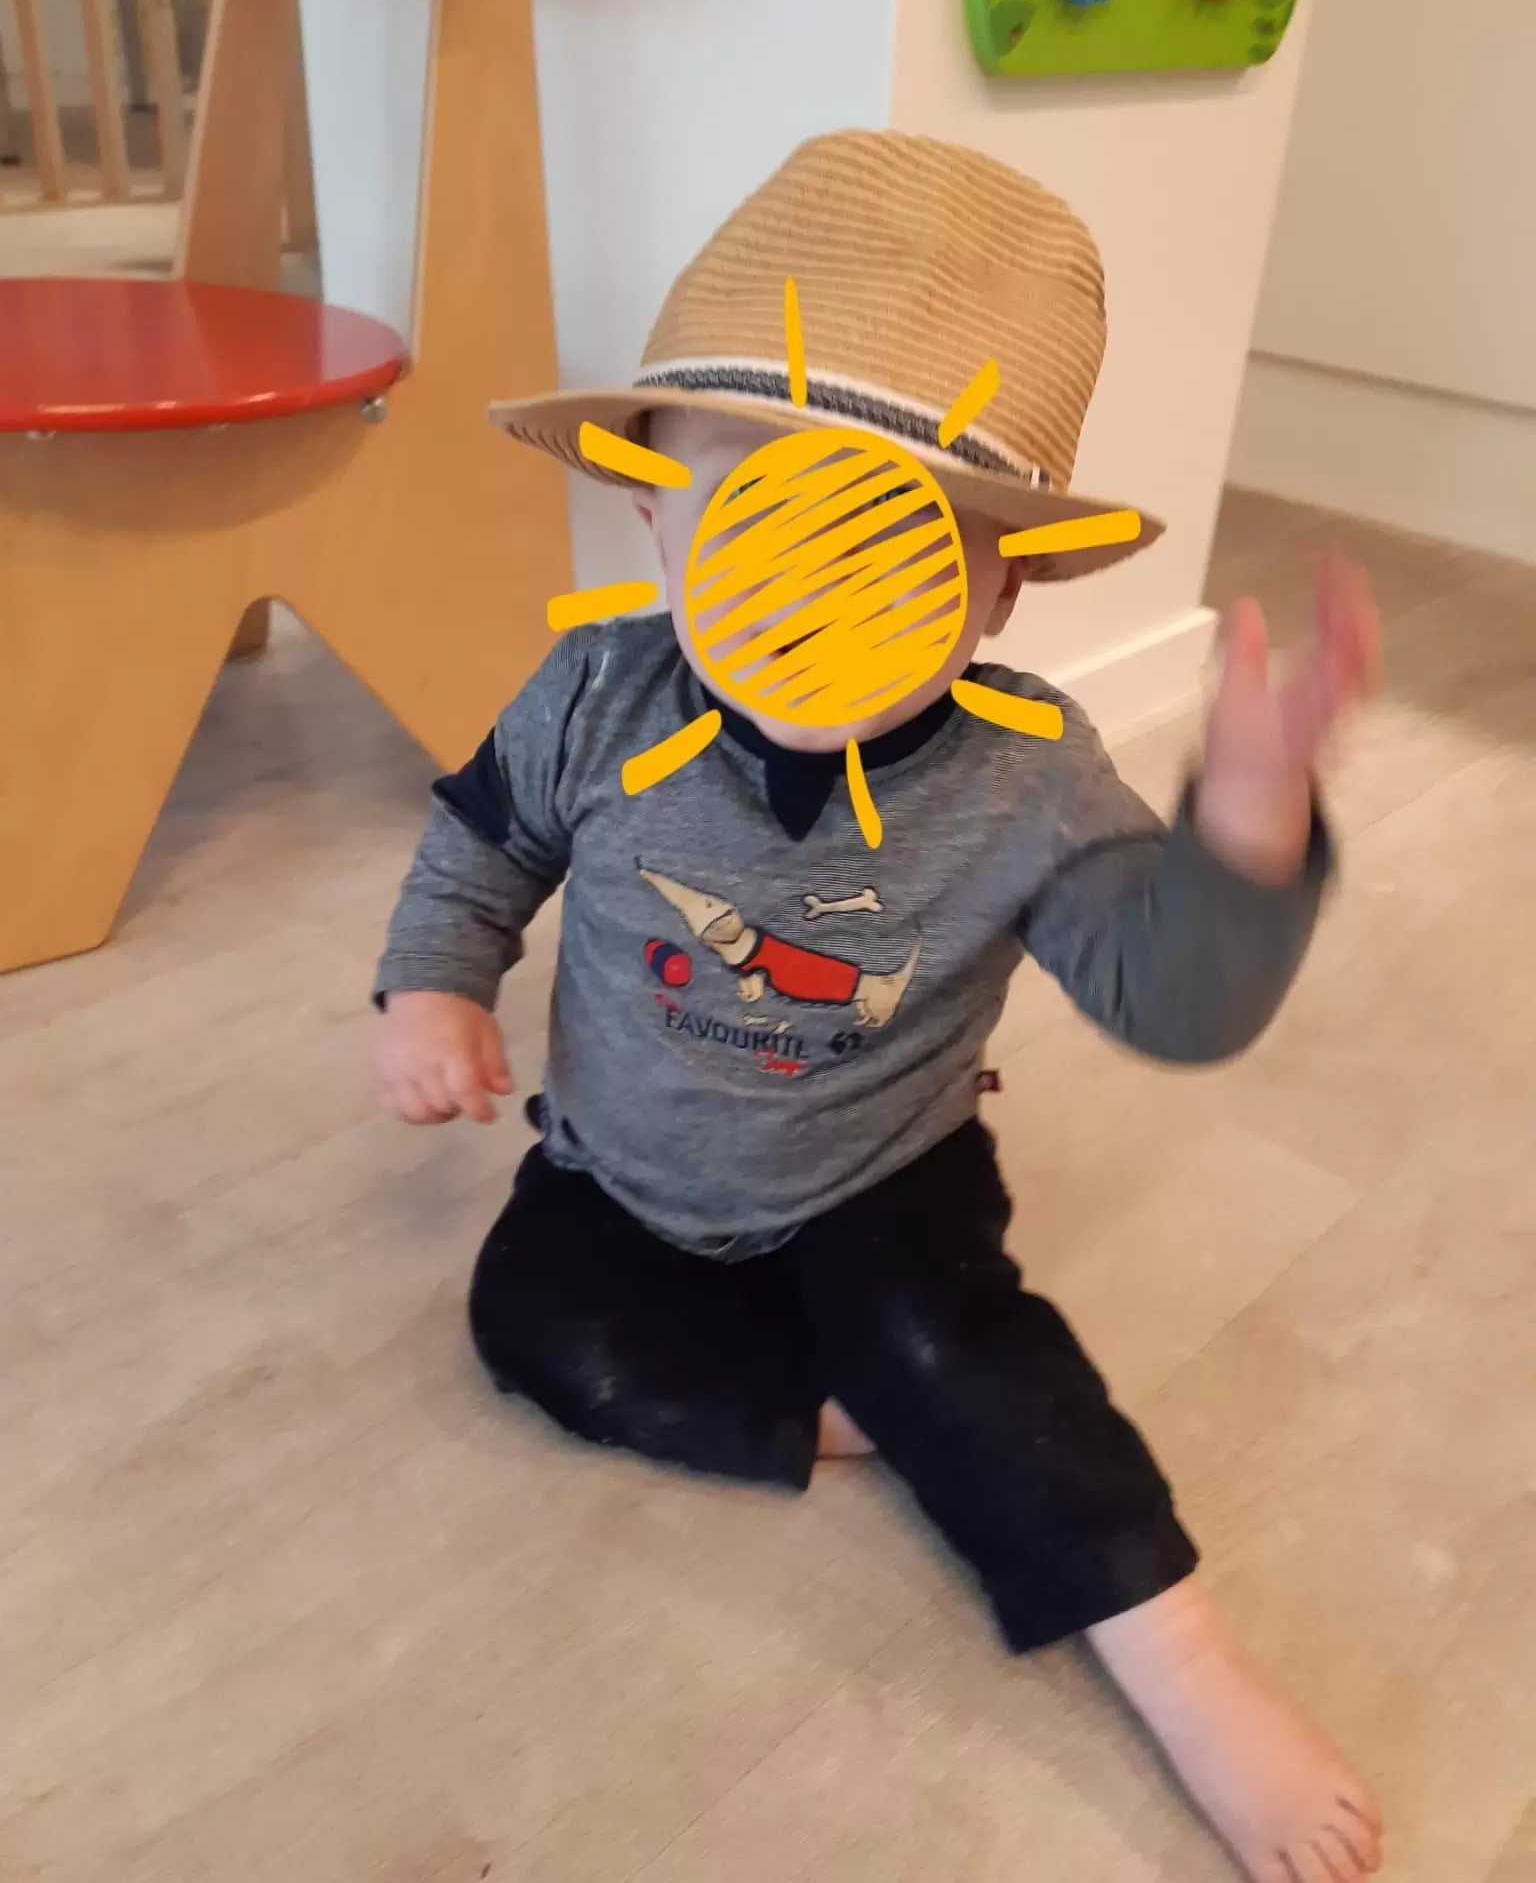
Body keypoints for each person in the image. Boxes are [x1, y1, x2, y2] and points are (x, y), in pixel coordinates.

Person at [374, 132, 1382, 1883]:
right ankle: (830, 1416)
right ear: (651, 504)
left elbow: (1173, 1000)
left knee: (971, 1359)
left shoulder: (1024, 773)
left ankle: (1180, 1655)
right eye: (759, 509)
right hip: (619, 1167)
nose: (818, 581)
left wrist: (1246, 827)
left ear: (1002, 582)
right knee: (532, 1324)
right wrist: (432, 987)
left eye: (894, 534)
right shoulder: (594, 692)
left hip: (879, 1177)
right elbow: (483, 842)